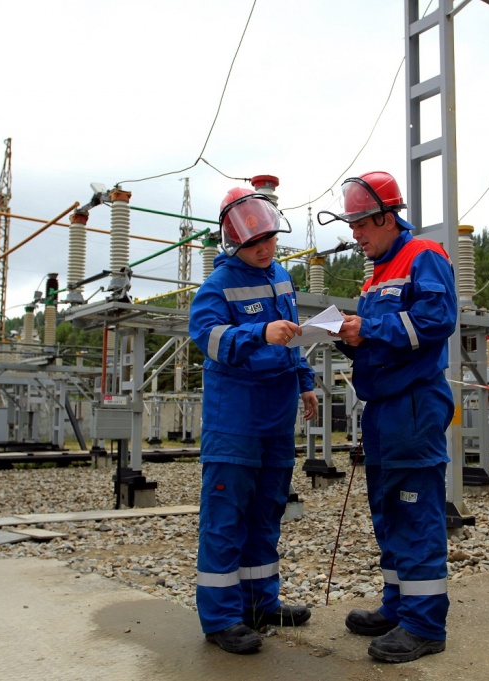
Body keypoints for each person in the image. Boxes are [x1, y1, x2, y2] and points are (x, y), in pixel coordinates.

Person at [318, 171, 457, 663]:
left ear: (385, 217)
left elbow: (437, 323)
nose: (355, 235)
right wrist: (347, 335)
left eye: (360, 224)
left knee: (414, 507)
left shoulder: (423, 256)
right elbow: (381, 336)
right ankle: (400, 604)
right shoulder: (376, 272)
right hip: (383, 408)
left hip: (413, 404)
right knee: (389, 508)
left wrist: (369, 328)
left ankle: (424, 625)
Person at [189, 187, 319, 654]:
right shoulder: (217, 285)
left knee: (267, 513)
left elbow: (293, 338)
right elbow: (207, 338)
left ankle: (260, 602)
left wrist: (304, 380)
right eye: (257, 242)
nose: (267, 248)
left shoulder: (281, 277)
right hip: (236, 421)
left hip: (277, 416)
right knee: (226, 519)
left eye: (270, 239)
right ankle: (221, 618)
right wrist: (257, 331)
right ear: (235, 240)